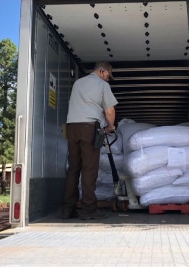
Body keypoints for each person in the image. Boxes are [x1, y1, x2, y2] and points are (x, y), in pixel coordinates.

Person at [62, 61, 118, 220]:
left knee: (73, 169)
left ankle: (68, 209)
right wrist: (111, 126)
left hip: (72, 128)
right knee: (89, 169)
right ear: (102, 71)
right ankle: (88, 210)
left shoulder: (78, 83)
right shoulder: (102, 85)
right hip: (89, 128)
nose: (108, 79)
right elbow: (110, 110)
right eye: (108, 75)